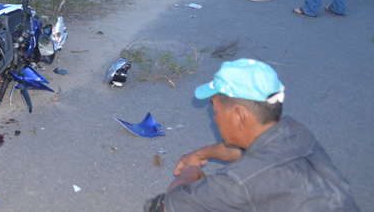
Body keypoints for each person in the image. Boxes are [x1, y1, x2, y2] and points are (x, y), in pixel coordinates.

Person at [144, 58, 359, 212]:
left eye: (215, 109)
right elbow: (242, 152)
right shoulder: (295, 131)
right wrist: (201, 154)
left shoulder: (239, 182)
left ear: (239, 116)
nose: (214, 118)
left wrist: (190, 174)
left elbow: (172, 204)